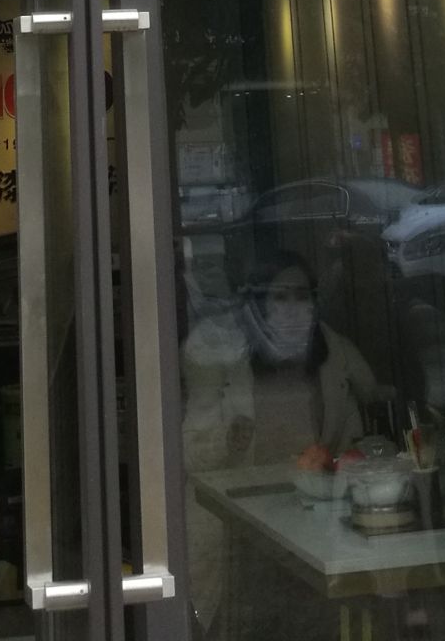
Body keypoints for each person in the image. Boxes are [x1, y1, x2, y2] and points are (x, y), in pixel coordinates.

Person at [181, 247, 384, 636]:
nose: (293, 308)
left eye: (302, 296)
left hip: (312, 530)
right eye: (280, 297)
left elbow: (355, 435)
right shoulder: (217, 352)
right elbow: (190, 454)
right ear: (257, 302)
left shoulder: (331, 352)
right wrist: (229, 440)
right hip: (237, 532)